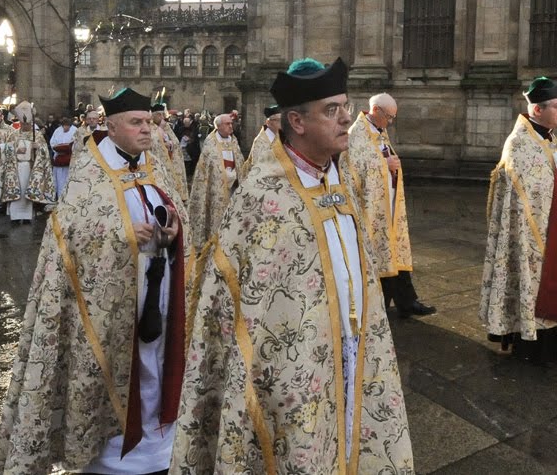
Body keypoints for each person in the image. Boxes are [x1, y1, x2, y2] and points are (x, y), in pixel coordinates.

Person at [172, 58, 413, 472]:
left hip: (350, 351)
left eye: (345, 106)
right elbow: (227, 314)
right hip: (286, 373)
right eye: (331, 110)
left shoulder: (337, 181)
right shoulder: (261, 197)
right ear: (297, 122)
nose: (345, 119)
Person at [0, 88, 191, 475]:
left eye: (148, 122)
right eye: (136, 122)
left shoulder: (154, 163)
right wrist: (125, 234)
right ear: (111, 127)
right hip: (108, 297)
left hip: (159, 283)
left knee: (157, 357)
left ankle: (156, 432)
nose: (147, 129)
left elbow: (175, 209)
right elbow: (71, 231)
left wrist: (174, 230)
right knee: (119, 365)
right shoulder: (89, 170)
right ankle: (113, 441)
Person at [479, 77, 557, 365]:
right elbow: (525, 188)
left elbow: (552, 176)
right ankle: (537, 347)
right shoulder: (519, 142)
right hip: (536, 238)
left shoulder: (548, 138)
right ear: (537, 109)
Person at [341, 93, 436, 319]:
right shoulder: (357, 134)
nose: (391, 122)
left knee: (395, 249)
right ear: (376, 111)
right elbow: (352, 168)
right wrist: (385, 165)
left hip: (389, 202)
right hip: (371, 208)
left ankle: (406, 300)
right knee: (381, 253)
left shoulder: (379, 131)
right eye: (389, 117)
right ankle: (382, 303)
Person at [187, 113, 245, 250]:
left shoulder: (234, 141)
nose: (231, 126)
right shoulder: (210, 145)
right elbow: (206, 171)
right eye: (227, 124)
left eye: (231, 123)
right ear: (218, 126)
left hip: (233, 188)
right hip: (215, 190)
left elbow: (240, 162)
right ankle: (214, 242)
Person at [1, 101, 55, 223]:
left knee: (28, 192)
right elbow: (7, 149)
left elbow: (45, 152)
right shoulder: (13, 135)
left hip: (30, 167)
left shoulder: (38, 135)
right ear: (20, 122)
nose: (25, 125)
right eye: (23, 123)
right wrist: (16, 148)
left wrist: (38, 147)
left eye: (28, 123)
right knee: (17, 192)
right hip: (16, 168)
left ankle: (26, 217)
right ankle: (15, 217)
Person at [150, 98, 189, 202]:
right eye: (159, 114)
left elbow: (175, 143)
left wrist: (170, 145)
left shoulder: (166, 126)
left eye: (163, 114)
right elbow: (153, 143)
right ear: (152, 115)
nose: (162, 117)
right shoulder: (150, 128)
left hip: (170, 161)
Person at [239, 104, 280, 177]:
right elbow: (257, 167)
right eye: (278, 120)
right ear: (268, 123)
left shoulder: (281, 136)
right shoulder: (260, 141)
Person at [49, 117, 75, 199]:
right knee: (59, 180)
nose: (65, 127)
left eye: (67, 125)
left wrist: (68, 149)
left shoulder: (75, 130)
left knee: (68, 180)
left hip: (70, 160)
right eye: (64, 125)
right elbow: (52, 142)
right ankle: (59, 197)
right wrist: (57, 148)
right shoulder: (57, 131)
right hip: (59, 158)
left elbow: (77, 142)